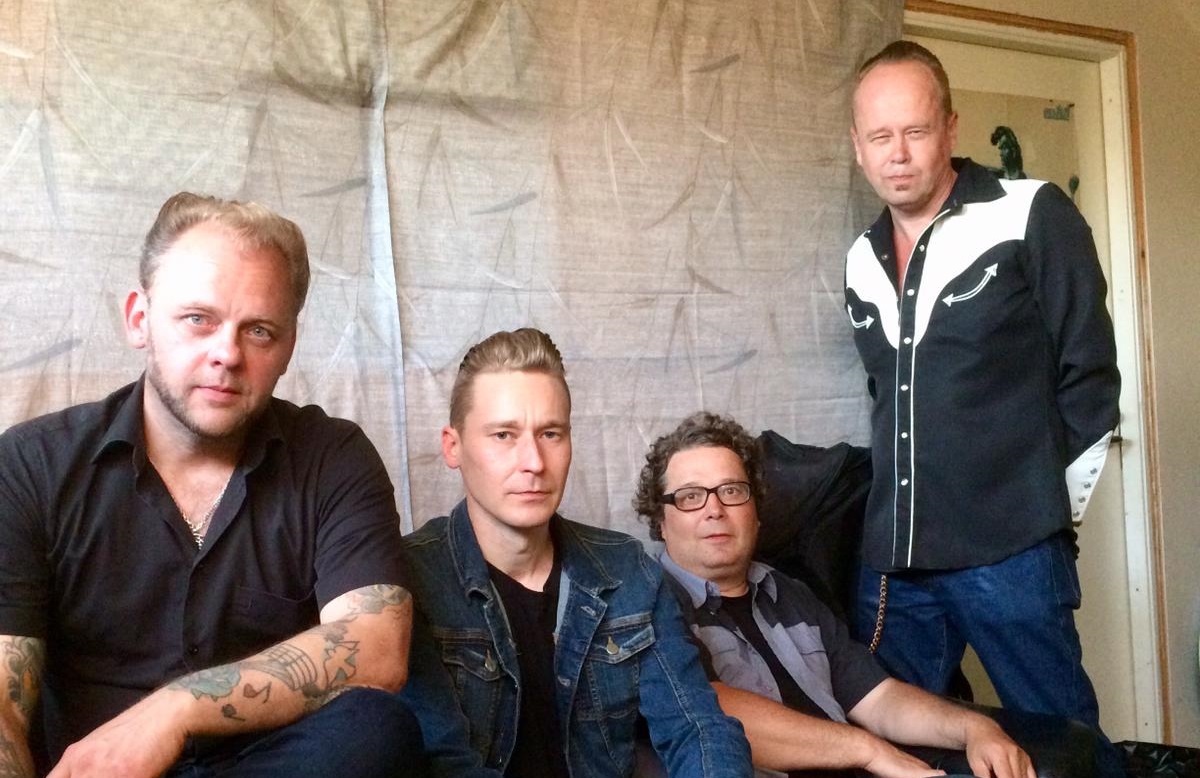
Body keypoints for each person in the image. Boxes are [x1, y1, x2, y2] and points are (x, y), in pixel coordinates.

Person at [0, 193, 421, 778]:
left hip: (272, 768)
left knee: (375, 729)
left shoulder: (333, 457)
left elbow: (376, 647)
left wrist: (174, 711)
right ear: (139, 320)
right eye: (198, 319)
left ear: (289, 346)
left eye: (259, 331)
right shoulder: (31, 465)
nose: (227, 353)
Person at [843, 40, 1121, 728]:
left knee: (1061, 743)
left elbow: (1091, 377)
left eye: (915, 131)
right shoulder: (860, 260)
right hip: (895, 565)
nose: (897, 153)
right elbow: (889, 400)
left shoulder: (1030, 213)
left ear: (950, 129)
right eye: (879, 136)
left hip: (1011, 556)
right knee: (897, 748)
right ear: (858, 146)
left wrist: (1043, 518)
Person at [398, 328, 752, 778]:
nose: (534, 462)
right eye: (504, 435)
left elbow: (697, 727)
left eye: (550, 433)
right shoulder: (408, 579)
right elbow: (442, 764)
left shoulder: (626, 570)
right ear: (453, 446)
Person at [635, 411, 1036, 778]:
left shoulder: (791, 592)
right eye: (690, 496)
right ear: (661, 522)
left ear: (755, 513)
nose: (714, 509)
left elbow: (878, 699)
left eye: (732, 491)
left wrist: (974, 728)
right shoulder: (647, 604)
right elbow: (705, 713)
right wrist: (867, 750)